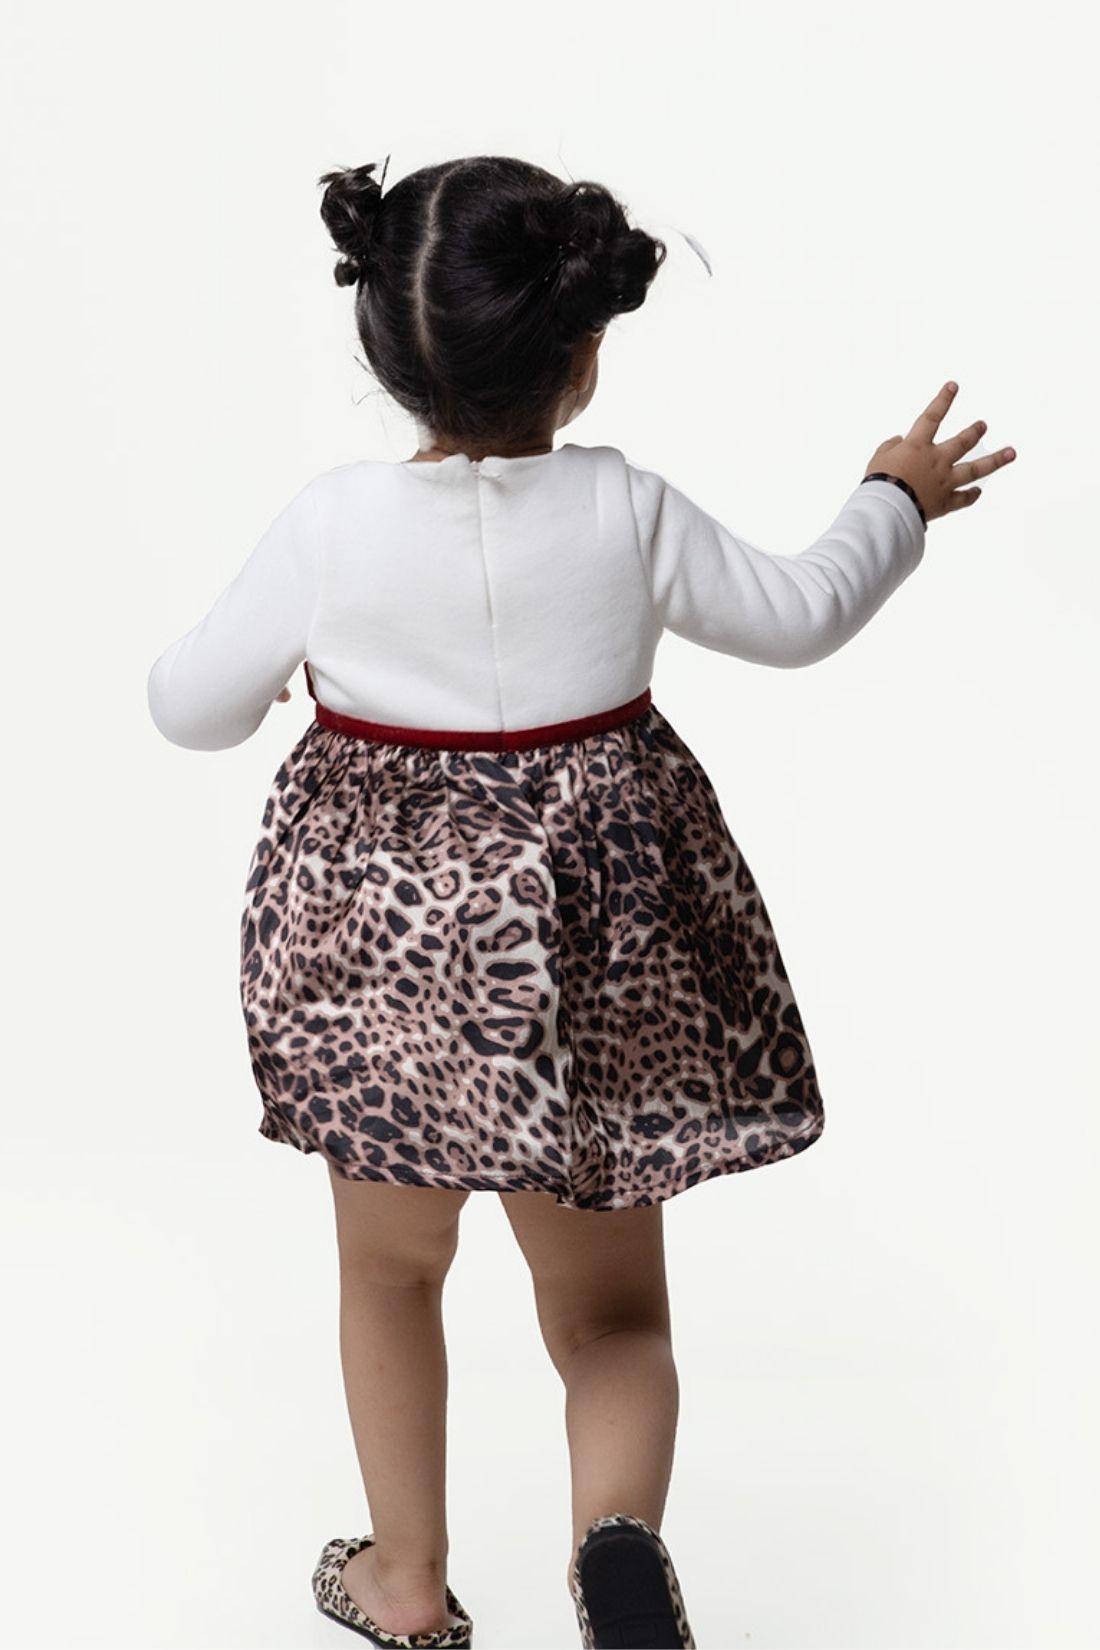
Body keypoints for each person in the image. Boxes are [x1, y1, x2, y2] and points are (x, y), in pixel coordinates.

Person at [146, 154, 1017, 1650]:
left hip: (389, 989)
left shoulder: (330, 528)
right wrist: (896, 497)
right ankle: (615, 1543)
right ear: (585, 356)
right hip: (599, 968)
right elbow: (806, 611)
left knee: (390, 1269)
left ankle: (404, 1581)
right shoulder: (625, 507)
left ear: (382, 351)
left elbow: (186, 705)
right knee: (611, 1315)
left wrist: (286, 673)